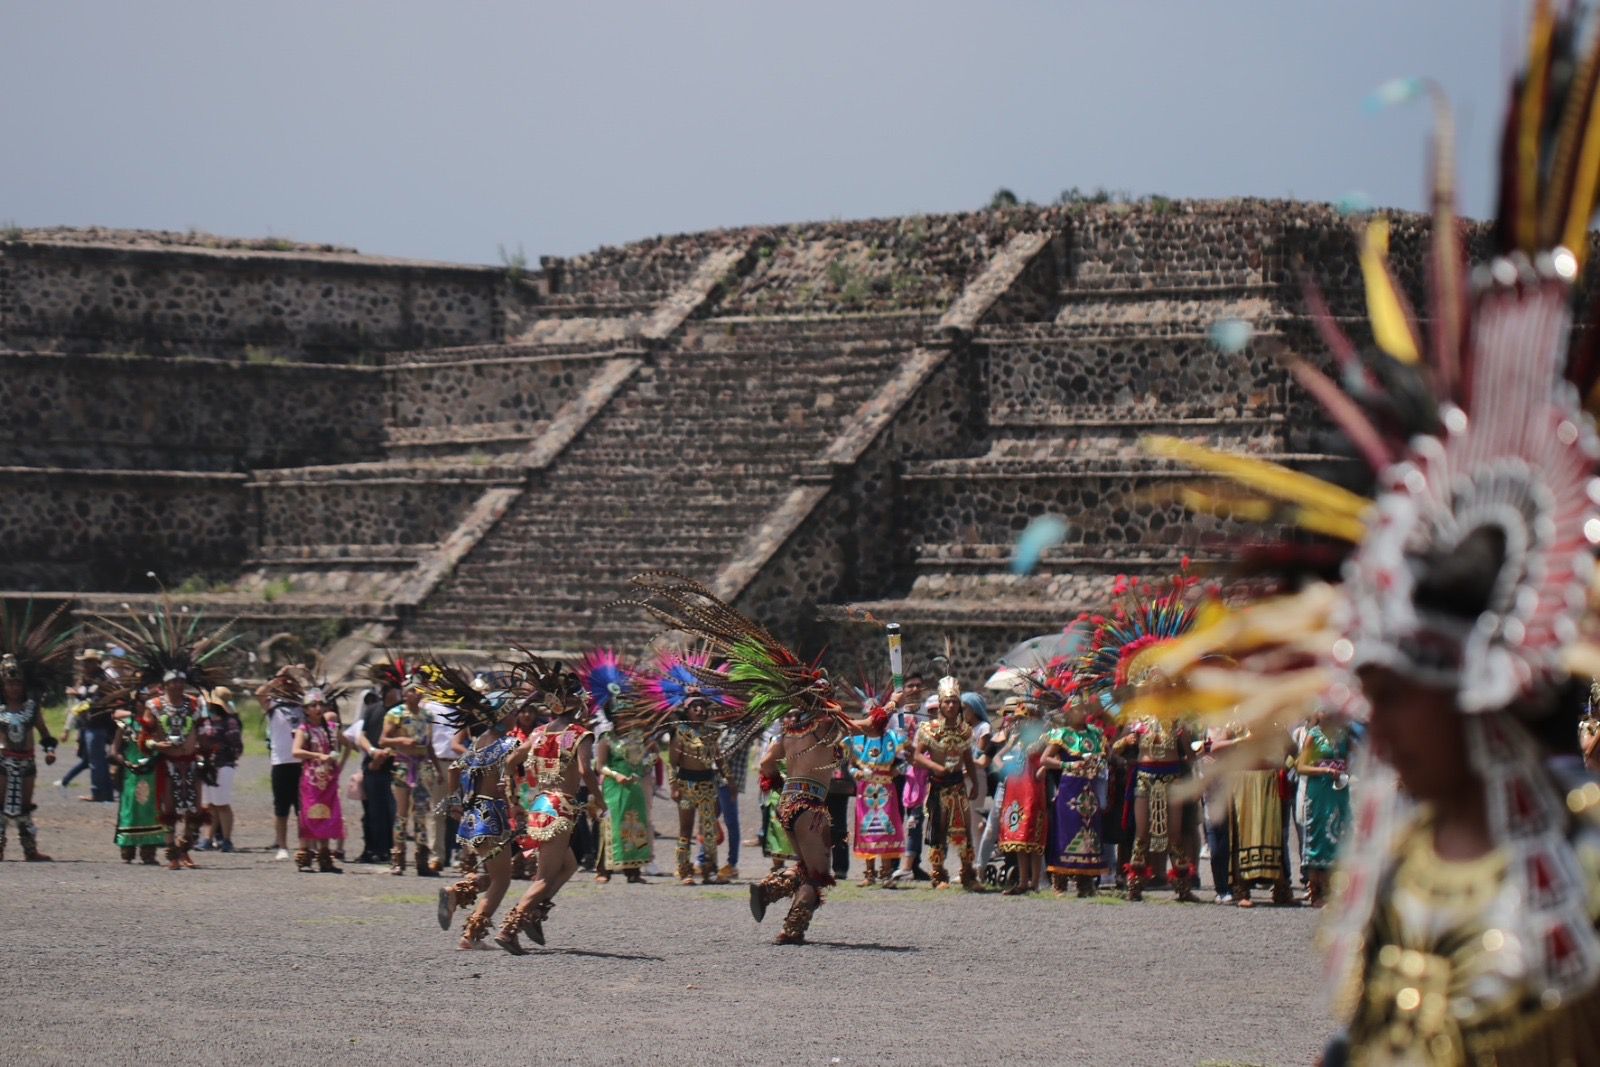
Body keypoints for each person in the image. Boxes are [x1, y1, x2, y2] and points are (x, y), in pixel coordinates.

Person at [1141, 18, 1600, 1052]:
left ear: (1479, 693)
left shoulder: (1585, 872)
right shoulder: (1405, 867)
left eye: (1392, 696)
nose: (1375, 729)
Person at [495, 660, 604, 954]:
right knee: (544, 877)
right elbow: (585, 771)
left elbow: (510, 761)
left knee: (568, 865)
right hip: (561, 807)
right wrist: (600, 799)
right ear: (576, 704)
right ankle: (510, 927)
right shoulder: (580, 734)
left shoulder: (538, 733)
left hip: (540, 803)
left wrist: (511, 794)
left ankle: (532, 914)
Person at [0, 605, 69, 861]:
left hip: (26, 761)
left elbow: (46, 734)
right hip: (3, 761)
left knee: (25, 805)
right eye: (10, 684)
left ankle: (30, 849)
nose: (14, 688)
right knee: (0, 804)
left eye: (17, 683)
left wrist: (50, 751)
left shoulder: (31, 708)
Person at [912, 677, 982, 890]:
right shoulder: (929, 729)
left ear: (959, 704)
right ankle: (938, 874)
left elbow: (968, 759)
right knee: (938, 830)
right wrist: (935, 767)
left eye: (954, 701)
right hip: (938, 785)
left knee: (964, 830)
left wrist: (975, 782)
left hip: (959, 785)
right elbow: (917, 756)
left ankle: (968, 874)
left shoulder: (965, 730)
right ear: (940, 704)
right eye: (946, 701)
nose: (950, 705)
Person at [1041, 690, 1108, 897]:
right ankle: (1059, 881)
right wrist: (1067, 765)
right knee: (1066, 831)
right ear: (1069, 712)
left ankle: (1085, 882)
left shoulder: (1095, 733)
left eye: (1084, 708)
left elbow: (1106, 755)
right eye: (1078, 709)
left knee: (1089, 832)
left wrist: (1099, 763)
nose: (1082, 712)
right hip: (1070, 789)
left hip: (1090, 789)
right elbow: (1045, 759)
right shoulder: (1062, 734)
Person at [380, 672, 439, 877]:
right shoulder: (396, 713)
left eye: (419, 690)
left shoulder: (427, 716)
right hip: (403, 766)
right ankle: (398, 857)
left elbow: (429, 745)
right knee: (402, 813)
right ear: (405, 693)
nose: (417, 693)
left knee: (422, 812)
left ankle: (422, 858)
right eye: (413, 690)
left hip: (422, 766)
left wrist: (437, 768)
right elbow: (383, 740)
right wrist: (401, 741)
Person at [845, 688, 905, 886]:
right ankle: (869, 873)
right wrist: (856, 773)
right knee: (867, 828)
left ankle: (886, 873)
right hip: (866, 791)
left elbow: (907, 760)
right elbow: (850, 766)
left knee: (886, 828)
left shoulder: (892, 738)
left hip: (886, 790)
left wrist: (896, 771)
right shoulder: (856, 740)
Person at [346, 663, 401, 864]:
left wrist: (385, 754)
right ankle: (371, 849)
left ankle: (388, 849)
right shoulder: (372, 709)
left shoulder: (401, 711)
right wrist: (372, 751)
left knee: (389, 811)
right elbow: (361, 735)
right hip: (371, 766)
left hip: (393, 767)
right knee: (371, 812)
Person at [1295, 710, 1350, 908]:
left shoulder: (1343, 734)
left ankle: (1335, 891)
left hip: (1339, 791)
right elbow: (1301, 766)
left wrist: (1346, 772)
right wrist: (1325, 770)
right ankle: (1316, 891)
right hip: (1319, 791)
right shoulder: (1314, 735)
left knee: (1337, 837)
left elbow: (1350, 759)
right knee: (1318, 837)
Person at [995, 697, 1048, 894]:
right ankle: (1023, 881)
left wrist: (1043, 769)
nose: (1020, 722)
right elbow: (997, 757)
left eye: (1024, 719)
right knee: (1020, 833)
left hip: (1033, 787)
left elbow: (1050, 757)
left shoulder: (1043, 738)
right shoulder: (1015, 738)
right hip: (1015, 788)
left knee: (1033, 831)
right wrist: (1004, 770)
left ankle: (1035, 883)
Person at [291, 687, 347, 873]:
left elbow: (348, 744)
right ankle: (305, 855)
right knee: (309, 814)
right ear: (306, 709)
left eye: (321, 704)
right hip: (311, 781)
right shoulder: (304, 729)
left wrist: (339, 763)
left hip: (328, 781)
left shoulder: (331, 728)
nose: (318, 708)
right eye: (313, 705)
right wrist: (317, 756)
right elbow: (296, 751)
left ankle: (324, 855)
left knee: (326, 814)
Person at [257, 666, 308, 862]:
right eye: (284, 683)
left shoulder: (303, 704)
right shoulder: (273, 706)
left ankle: (304, 844)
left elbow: (317, 695)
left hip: (301, 761)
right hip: (281, 761)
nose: (287, 685)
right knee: (281, 808)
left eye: (290, 682)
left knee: (303, 807)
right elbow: (260, 693)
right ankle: (282, 846)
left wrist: (300, 678)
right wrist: (278, 676)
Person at [65, 648, 115, 803]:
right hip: (90, 725)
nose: (85, 666)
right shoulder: (91, 679)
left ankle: (98, 793)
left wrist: (78, 698)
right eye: (84, 663)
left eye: (88, 662)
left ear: (95, 663)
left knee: (96, 762)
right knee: (96, 761)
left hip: (97, 725)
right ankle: (107, 794)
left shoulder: (101, 680)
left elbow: (96, 702)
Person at [198, 687, 243, 852]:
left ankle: (226, 839)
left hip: (223, 765)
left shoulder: (229, 722)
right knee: (210, 804)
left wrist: (224, 756)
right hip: (207, 765)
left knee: (222, 803)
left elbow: (237, 746)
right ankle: (208, 838)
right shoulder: (206, 721)